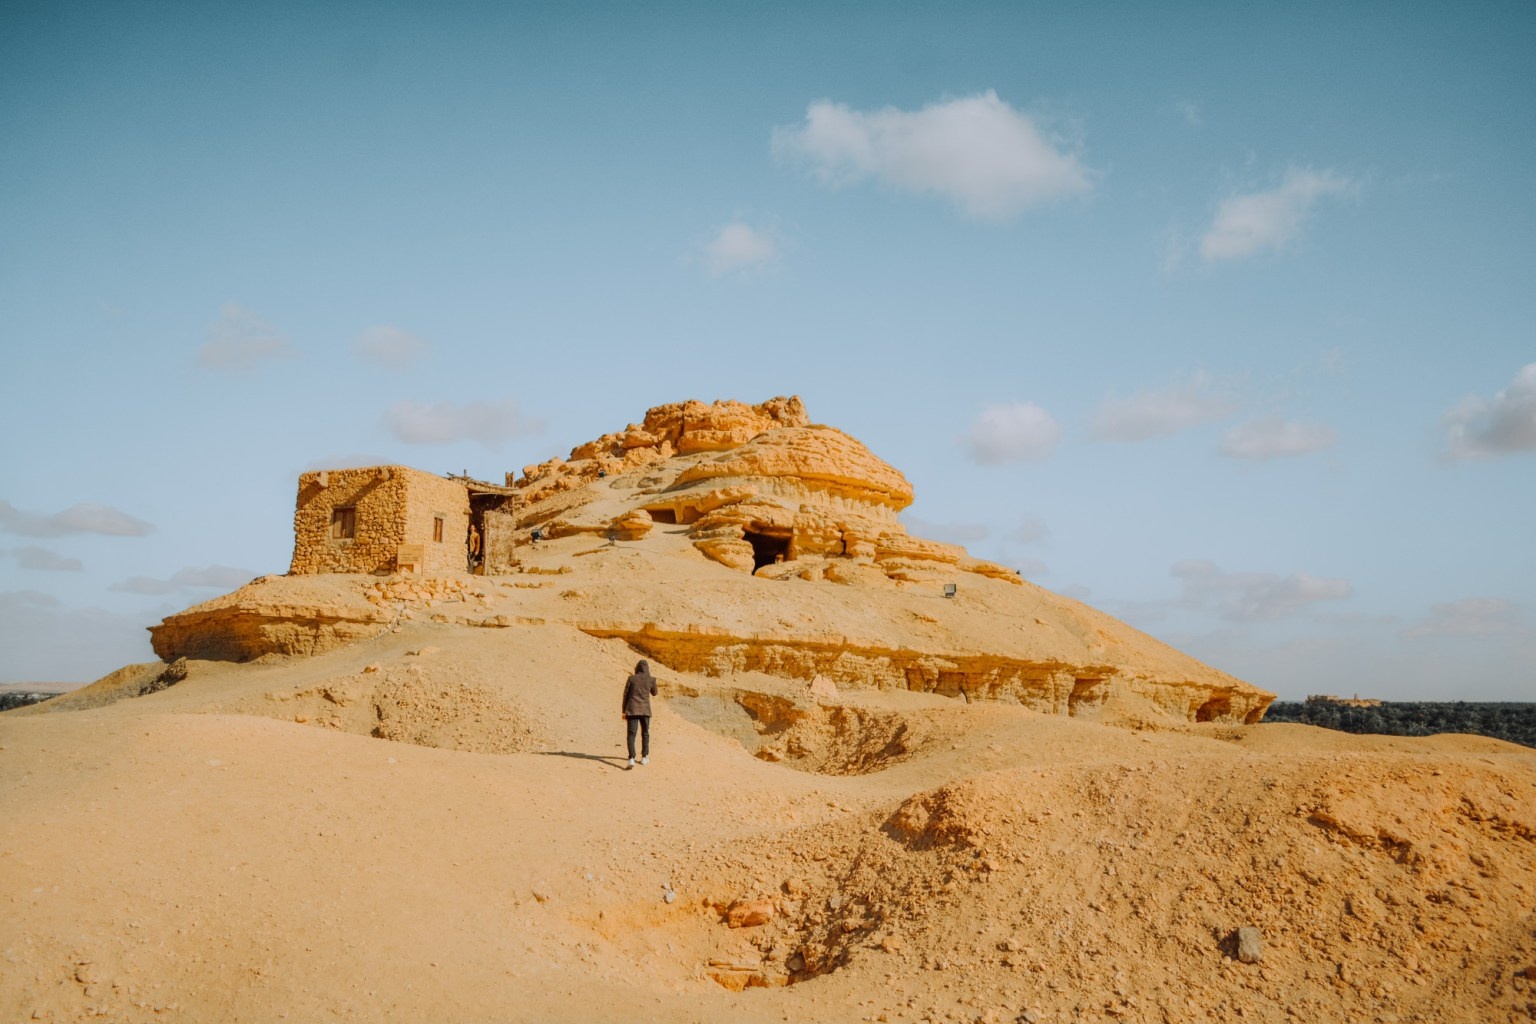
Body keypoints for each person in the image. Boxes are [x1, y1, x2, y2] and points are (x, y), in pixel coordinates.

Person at [621, 659, 658, 768]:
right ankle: (644, 757)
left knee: (631, 734)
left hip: (632, 709)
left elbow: (625, 695)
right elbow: (655, 693)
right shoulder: (651, 679)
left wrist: (624, 711)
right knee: (645, 733)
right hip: (645, 710)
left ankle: (631, 758)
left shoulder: (631, 678)